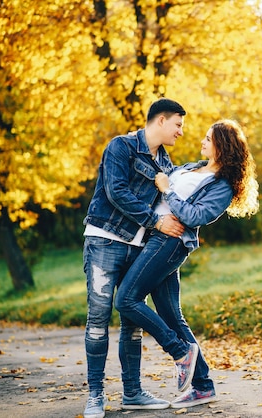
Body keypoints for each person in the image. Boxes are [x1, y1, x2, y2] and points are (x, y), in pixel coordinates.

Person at [115, 119, 259, 409]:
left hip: (169, 244)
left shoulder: (223, 187)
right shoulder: (193, 167)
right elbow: (159, 181)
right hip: (154, 236)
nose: (202, 142)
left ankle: (180, 351)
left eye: (208, 138)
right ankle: (203, 386)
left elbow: (193, 216)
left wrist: (167, 191)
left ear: (222, 145)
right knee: (171, 315)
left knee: (126, 299)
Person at [82, 98, 187, 418]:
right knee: (99, 318)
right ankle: (96, 395)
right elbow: (116, 191)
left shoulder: (167, 165)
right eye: (178, 124)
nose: (181, 132)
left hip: (138, 248)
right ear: (160, 121)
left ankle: (132, 393)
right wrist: (156, 222)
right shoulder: (121, 147)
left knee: (132, 323)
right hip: (104, 241)